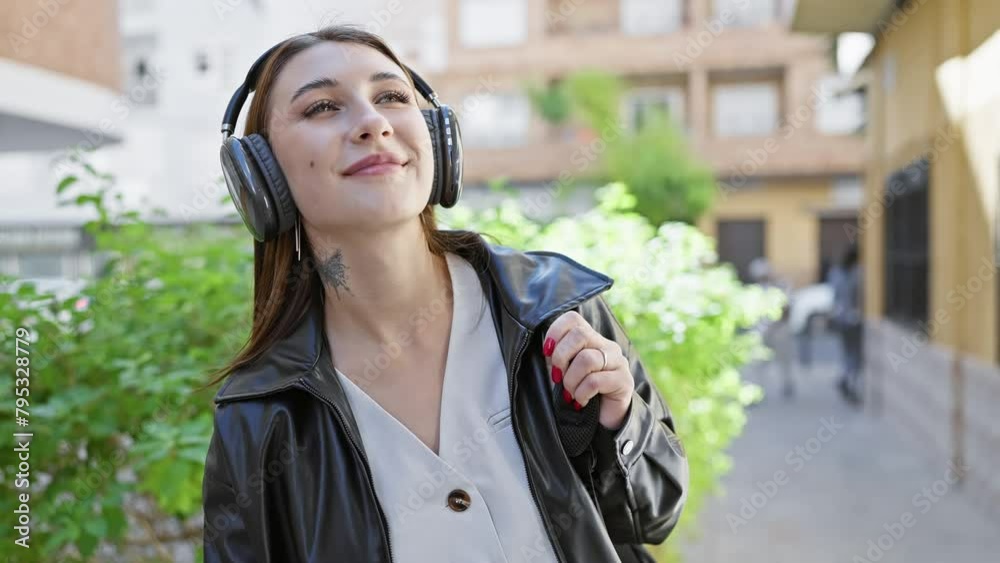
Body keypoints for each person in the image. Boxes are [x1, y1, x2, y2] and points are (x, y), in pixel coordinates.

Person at [199, 26, 688, 563]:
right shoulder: (258, 414)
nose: (372, 123)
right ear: (259, 175)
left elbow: (655, 514)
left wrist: (619, 420)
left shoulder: (555, 310)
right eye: (321, 107)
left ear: (435, 135)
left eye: (390, 96)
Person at [831, 243, 864, 405]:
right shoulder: (857, 273)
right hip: (853, 319)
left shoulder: (836, 273)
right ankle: (850, 382)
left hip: (841, 317)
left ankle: (845, 378)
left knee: (847, 352)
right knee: (855, 354)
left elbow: (834, 296)